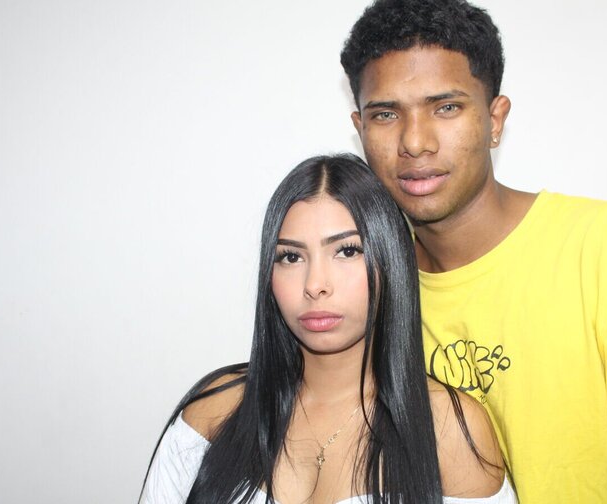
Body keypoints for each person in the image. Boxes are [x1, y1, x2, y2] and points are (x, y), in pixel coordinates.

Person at [340, 1, 607, 503]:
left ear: (495, 119)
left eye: (446, 107)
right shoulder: (364, 288)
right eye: (386, 114)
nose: (415, 142)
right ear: (361, 128)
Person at [140, 154, 517, 503]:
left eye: (347, 251)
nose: (315, 284)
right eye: (291, 256)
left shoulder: (448, 429)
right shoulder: (212, 410)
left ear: (390, 260)